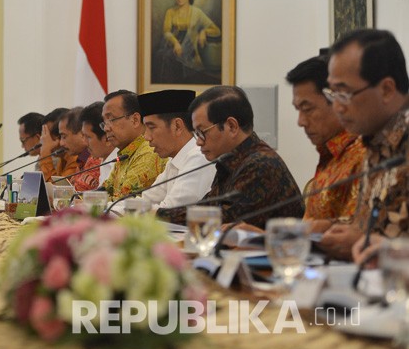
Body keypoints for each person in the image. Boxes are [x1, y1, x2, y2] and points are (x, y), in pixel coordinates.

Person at [159, 86, 303, 227]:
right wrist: (156, 214)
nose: (198, 141)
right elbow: (205, 208)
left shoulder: (261, 164)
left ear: (232, 126)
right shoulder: (231, 160)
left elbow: (221, 219)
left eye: (202, 132)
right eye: (196, 134)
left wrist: (156, 215)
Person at [321, 29, 409, 258]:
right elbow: (379, 222)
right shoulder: (375, 139)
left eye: (345, 93)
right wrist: (338, 230)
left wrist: (371, 244)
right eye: (333, 93)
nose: (337, 107)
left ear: (387, 89)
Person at [286, 55, 365, 233]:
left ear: (338, 101)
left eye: (307, 109)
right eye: (298, 110)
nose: (300, 121)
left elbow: (356, 234)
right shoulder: (329, 155)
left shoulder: (365, 155)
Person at [138, 89, 215, 210]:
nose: (146, 137)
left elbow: (170, 211)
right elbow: (146, 200)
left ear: (177, 126)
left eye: (151, 127)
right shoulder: (174, 160)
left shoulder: (199, 157)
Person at [101, 90, 166, 201]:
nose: (106, 128)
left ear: (135, 120)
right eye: (104, 122)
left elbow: (123, 202)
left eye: (111, 119)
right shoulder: (125, 153)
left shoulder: (149, 151)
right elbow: (105, 190)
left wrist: (85, 203)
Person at [154, 0, 222, 85]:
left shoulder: (197, 12)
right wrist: (175, 43)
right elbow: (166, 32)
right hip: (171, 44)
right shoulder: (170, 11)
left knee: (168, 58)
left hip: (189, 48)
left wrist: (204, 31)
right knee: (160, 56)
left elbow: (217, 31)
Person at [56, 107, 99, 191]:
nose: (61, 143)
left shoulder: (96, 158)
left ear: (82, 133)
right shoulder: (81, 160)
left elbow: (77, 193)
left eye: (64, 136)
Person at [79, 101, 117, 186]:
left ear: (107, 139)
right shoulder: (104, 160)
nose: (84, 143)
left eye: (88, 137)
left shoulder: (119, 163)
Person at [38, 107, 79, 181]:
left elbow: (55, 188)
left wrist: (45, 152)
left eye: (49, 136)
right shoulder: (63, 158)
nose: (46, 141)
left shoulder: (76, 158)